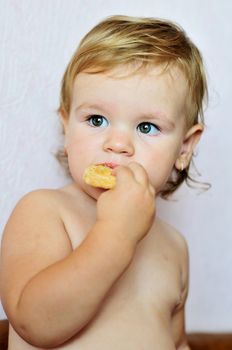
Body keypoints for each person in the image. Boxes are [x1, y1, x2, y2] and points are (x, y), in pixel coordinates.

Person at [0, 15, 208, 349]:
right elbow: (33, 322)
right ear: (67, 127)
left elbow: (176, 342)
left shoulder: (173, 246)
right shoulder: (45, 212)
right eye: (96, 119)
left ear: (184, 148)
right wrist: (116, 235)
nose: (118, 143)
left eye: (146, 127)